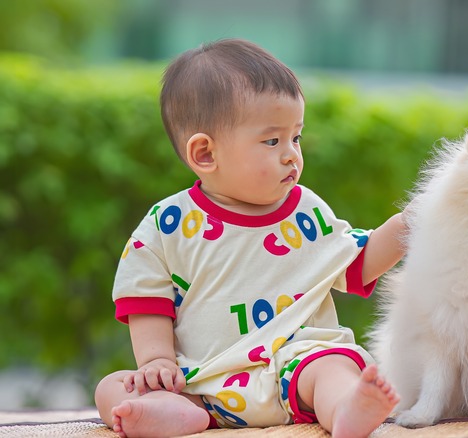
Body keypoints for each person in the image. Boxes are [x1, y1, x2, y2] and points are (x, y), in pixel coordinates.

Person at [94, 38, 406, 438]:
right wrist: (158, 361)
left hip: (293, 366)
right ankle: (176, 415)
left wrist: (408, 225)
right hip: (201, 379)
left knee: (333, 365)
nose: (292, 154)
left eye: (296, 137)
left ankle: (345, 408)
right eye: (273, 141)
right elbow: (146, 299)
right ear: (205, 154)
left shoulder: (305, 211)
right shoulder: (167, 224)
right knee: (114, 387)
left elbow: (356, 261)